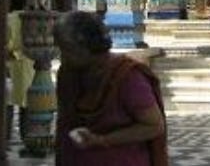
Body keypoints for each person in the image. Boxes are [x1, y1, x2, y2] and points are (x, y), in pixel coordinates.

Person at [54, 11, 168, 166]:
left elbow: (154, 126)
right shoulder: (69, 74)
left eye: (67, 49)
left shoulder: (127, 77)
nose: (62, 56)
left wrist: (102, 140)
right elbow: (65, 120)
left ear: (86, 46)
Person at [6, 0, 34, 140]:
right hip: (27, 62)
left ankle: (5, 137)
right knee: (26, 102)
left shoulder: (7, 19)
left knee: (8, 102)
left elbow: (6, 43)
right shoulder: (28, 19)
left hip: (9, 63)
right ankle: (26, 135)